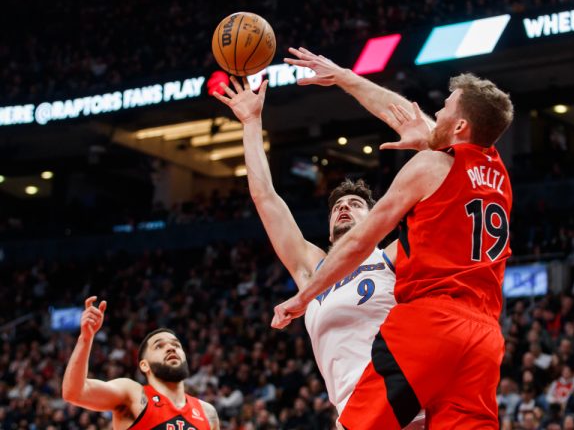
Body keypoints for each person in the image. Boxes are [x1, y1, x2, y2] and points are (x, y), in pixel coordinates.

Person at [273, 47, 515, 429]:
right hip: (484, 336)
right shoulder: (497, 174)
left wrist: (303, 297)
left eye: (445, 109)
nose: (435, 113)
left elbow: (357, 243)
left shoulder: (430, 165)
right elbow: (406, 116)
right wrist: (343, 77)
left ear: (459, 126)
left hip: (432, 319)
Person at [213, 77, 424, 428]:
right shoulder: (313, 270)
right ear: (327, 227)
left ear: (375, 219)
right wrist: (251, 124)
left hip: (406, 406)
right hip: (351, 414)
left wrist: (425, 146)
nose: (344, 208)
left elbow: (434, 205)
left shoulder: (389, 256)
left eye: (355, 204)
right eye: (338, 206)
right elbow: (265, 198)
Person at [62, 297, 219, 430]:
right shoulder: (132, 394)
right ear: (145, 365)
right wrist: (85, 338)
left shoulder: (208, 413)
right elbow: (74, 392)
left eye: (176, 345)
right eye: (159, 346)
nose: (171, 348)